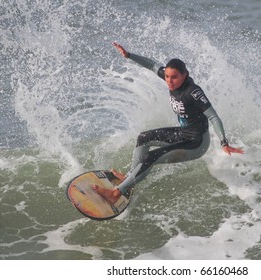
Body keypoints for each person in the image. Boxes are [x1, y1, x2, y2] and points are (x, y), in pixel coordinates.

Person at [93, 42, 244, 204]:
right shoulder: (170, 77)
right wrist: (129, 55)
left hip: (196, 143)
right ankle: (129, 179)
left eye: (174, 77)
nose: (169, 81)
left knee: (151, 157)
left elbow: (213, 117)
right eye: (167, 76)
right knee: (143, 138)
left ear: (184, 75)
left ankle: (116, 194)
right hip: (183, 133)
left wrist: (224, 143)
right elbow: (151, 65)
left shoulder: (193, 92)